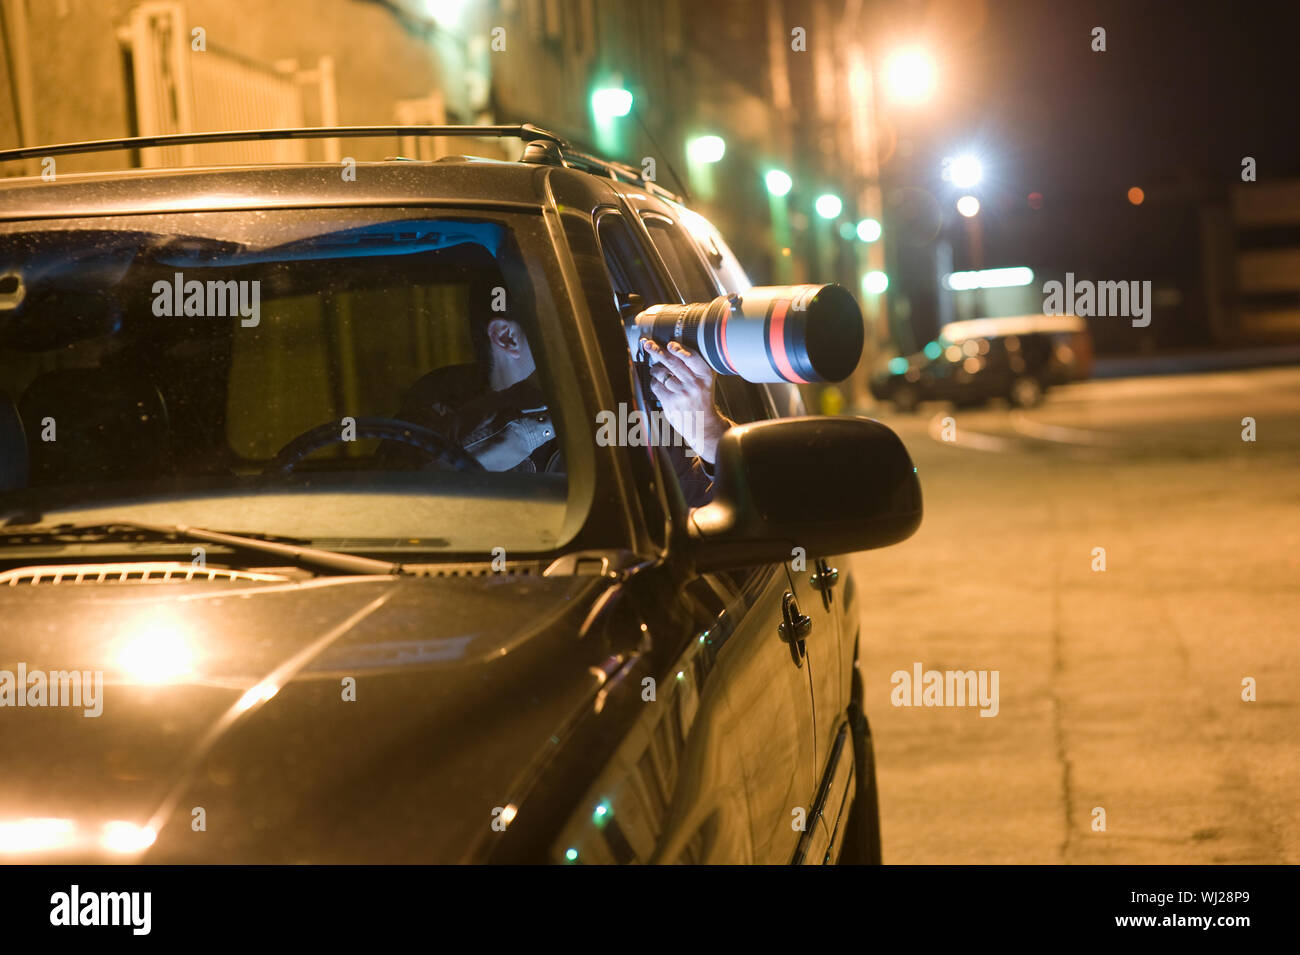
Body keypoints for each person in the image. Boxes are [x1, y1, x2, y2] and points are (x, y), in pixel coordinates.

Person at [386, 309, 730, 506]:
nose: (600, 339)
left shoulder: (627, 407)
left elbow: (721, 510)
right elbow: (390, 509)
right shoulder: (439, 403)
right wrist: (522, 432)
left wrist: (708, 432)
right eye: (576, 317)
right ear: (506, 336)